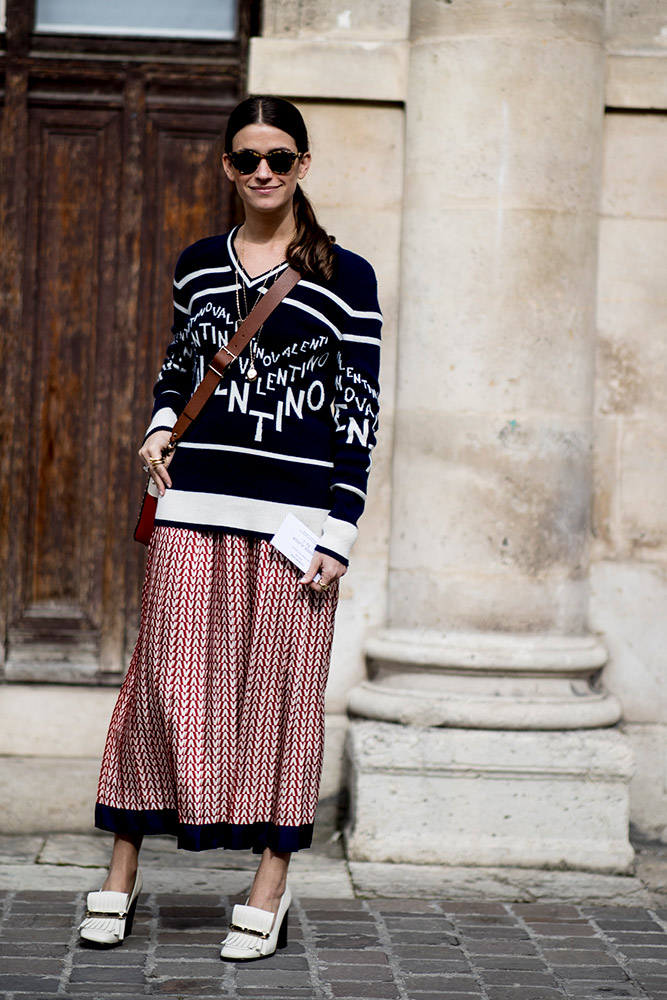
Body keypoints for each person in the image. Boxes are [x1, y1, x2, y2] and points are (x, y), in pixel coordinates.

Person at [78, 95, 381, 961]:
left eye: (279, 158)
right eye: (246, 158)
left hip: (292, 523)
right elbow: (180, 362)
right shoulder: (197, 265)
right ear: (225, 166)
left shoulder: (345, 276)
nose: (262, 172)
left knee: (281, 698)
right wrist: (157, 424)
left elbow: (356, 412)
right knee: (162, 687)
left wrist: (340, 531)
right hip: (195, 502)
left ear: (303, 166)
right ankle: (120, 871)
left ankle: (270, 884)